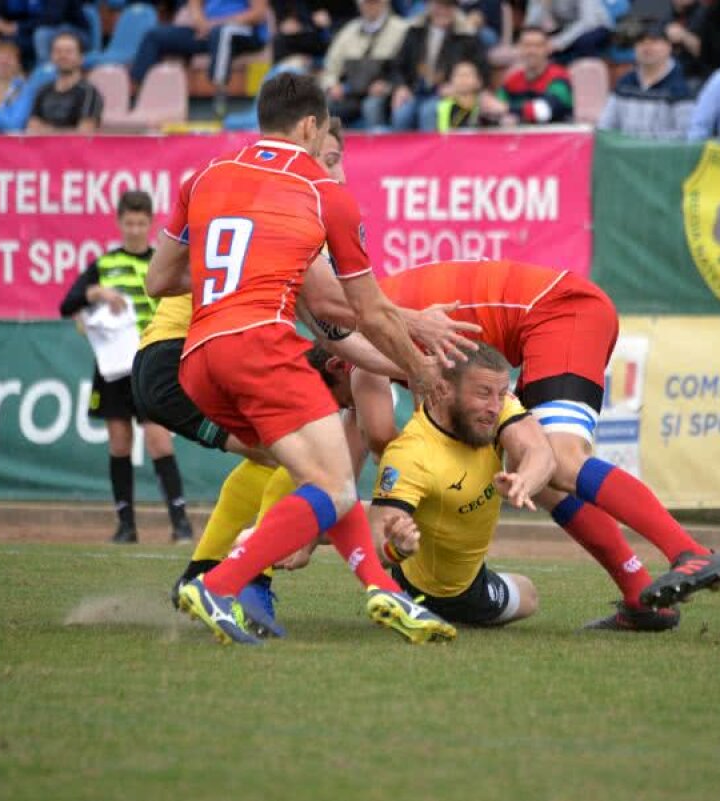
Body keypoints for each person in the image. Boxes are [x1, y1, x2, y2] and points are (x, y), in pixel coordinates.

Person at [145, 73, 453, 647]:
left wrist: (235, 265)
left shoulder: (205, 175)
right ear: (311, 126)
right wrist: (420, 368)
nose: (327, 157)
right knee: (333, 485)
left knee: (326, 477)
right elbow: (369, 311)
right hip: (260, 344)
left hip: (198, 358)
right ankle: (222, 582)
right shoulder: (323, 191)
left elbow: (157, 280)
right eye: (326, 144)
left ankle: (380, 589)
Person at [305, 259, 720, 629]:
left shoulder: (367, 342)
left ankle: (690, 552)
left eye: (342, 405)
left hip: (563, 311)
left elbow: (377, 434)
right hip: (553, 314)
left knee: (562, 462)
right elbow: (349, 456)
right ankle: (639, 594)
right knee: (543, 477)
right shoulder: (373, 328)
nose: (349, 413)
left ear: (340, 365)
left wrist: (410, 485)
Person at [370, 344, 554, 628]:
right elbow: (374, 548)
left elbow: (541, 452)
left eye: (501, 392)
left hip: (470, 570)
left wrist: (524, 480)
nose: (495, 407)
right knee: (528, 594)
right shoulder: (411, 453)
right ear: (444, 390)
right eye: (483, 393)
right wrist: (397, 550)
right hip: (445, 591)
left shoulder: (495, 409)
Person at [58, 191, 195, 545]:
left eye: (141, 223)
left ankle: (180, 524)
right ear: (119, 223)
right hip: (113, 368)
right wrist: (97, 294)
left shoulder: (161, 264)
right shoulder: (104, 265)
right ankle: (125, 526)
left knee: (159, 440)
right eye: (129, 222)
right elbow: (66, 304)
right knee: (119, 444)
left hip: (151, 364)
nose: (134, 229)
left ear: (150, 224)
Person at [128, 0, 268, 103]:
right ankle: (139, 95)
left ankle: (219, 96)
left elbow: (258, 13)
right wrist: (201, 23)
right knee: (154, 36)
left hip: (245, 32)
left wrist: (217, 24)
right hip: (208, 31)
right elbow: (194, 5)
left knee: (222, 32)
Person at [388, 0, 486, 131]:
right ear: (428, 6)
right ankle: (401, 151)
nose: (443, 11)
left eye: (448, 6)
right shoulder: (414, 31)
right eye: (439, 5)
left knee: (428, 112)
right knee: (401, 114)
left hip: (449, 94)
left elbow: (480, 70)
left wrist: (458, 86)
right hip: (415, 90)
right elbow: (397, 65)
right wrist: (400, 87)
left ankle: (431, 151)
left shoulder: (466, 35)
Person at [320, 0, 410, 128]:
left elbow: (406, 68)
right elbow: (331, 66)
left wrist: (388, 85)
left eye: (375, 2)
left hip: (385, 93)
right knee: (324, 107)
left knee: (372, 105)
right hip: (352, 92)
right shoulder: (348, 31)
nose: (370, 6)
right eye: (366, 3)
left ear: (385, 3)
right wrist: (332, 85)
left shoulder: (402, 29)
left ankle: (378, 145)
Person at [598, 19, 693, 138]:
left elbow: (686, 134)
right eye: (641, 41)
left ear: (669, 47)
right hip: (625, 153)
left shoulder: (680, 87)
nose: (647, 47)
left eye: (654, 41)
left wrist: (646, 143)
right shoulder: (624, 82)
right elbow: (605, 126)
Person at [493, 26, 574, 124]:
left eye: (538, 46)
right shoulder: (512, 79)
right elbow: (496, 106)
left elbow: (544, 111)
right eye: (527, 45)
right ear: (519, 48)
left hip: (556, 137)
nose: (532, 51)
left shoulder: (559, 77)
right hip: (520, 137)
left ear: (548, 48)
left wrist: (506, 109)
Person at [26, 31, 102, 133]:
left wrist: (47, 130)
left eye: (69, 52)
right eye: (58, 51)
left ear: (80, 58)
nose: (63, 56)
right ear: (51, 56)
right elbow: (32, 128)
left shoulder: (89, 93)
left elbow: (85, 134)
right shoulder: (43, 91)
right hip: (42, 148)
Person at [0, 0, 89, 68]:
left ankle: (46, 75)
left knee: (41, 35)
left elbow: (52, 17)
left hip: (72, 29)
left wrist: (15, 27)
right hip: (33, 29)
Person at [524, 0, 614, 63]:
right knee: (540, 44)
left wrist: (558, 43)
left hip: (597, 27)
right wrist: (542, 5)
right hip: (568, 28)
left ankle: (585, 78)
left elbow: (588, 22)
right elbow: (532, 26)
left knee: (583, 43)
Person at [437, 59, 502, 129]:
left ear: (479, 81)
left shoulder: (487, 106)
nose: (463, 78)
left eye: (468, 74)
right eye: (458, 75)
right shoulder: (440, 107)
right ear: (450, 81)